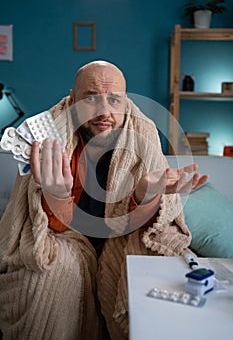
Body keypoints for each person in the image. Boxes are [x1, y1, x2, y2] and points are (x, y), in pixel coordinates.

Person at [0, 60, 208, 340]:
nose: (104, 112)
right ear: (72, 100)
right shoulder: (47, 137)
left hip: (122, 239)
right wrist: (57, 194)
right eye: (91, 98)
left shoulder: (143, 134)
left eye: (114, 99)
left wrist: (144, 194)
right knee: (46, 273)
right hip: (64, 239)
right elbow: (38, 225)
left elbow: (147, 226)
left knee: (156, 270)